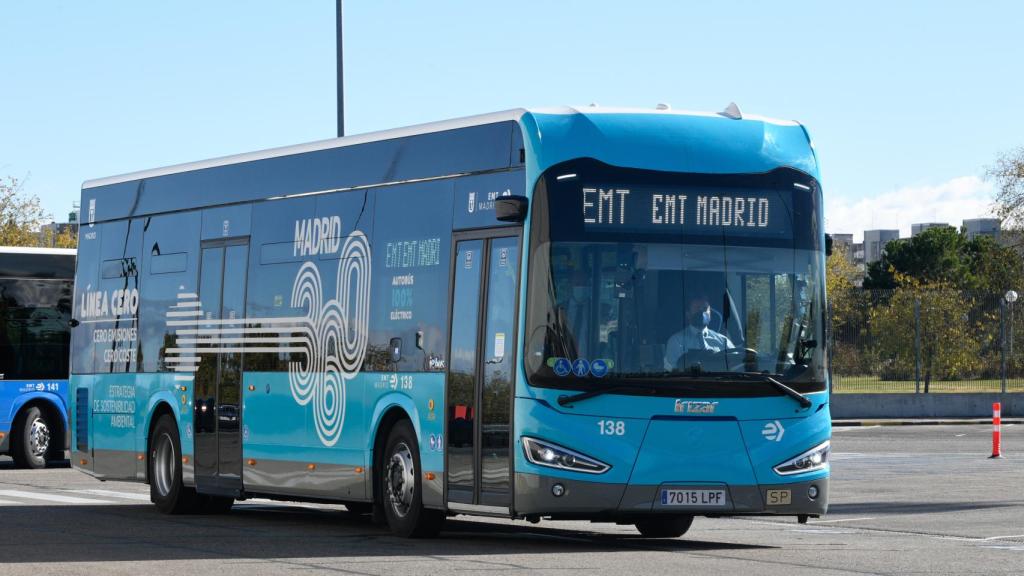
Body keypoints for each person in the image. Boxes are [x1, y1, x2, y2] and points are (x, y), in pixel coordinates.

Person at [663, 296, 734, 370]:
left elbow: (735, 365)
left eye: (705, 308)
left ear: (710, 314)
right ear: (688, 314)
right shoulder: (676, 341)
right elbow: (672, 371)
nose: (701, 312)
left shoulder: (723, 341)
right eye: (697, 308)